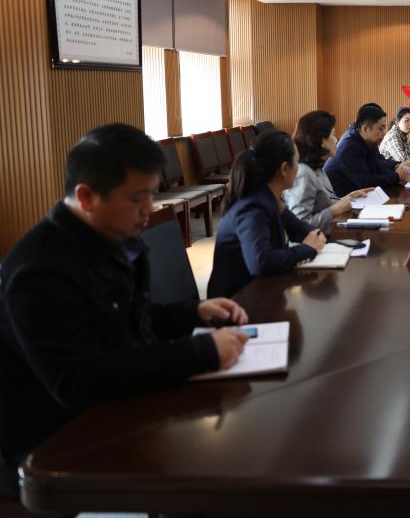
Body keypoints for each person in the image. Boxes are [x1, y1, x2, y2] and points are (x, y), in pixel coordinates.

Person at [0, 124, 250, 483]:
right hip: (56, 442)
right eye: (137, 198)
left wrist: (193, 313)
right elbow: (77, 380)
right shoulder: (39, 271)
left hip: (116, 403)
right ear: (86, 197)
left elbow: (126, 318)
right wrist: (201, 352)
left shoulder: (111, 236)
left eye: (153, 193)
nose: (149, 209)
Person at [208, 130, 326, 298]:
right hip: (236, 301)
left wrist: (314, 235)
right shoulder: (253, 207)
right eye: (297, 162)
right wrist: (307, 249)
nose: (299, 168)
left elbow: (298, 228)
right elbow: (261, 261)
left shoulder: (269, 196)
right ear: (284, 169)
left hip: (259, 291)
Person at [285, 110, 372, 230]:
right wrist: (334, 210)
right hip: (314, 241)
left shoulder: (316, 167)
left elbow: (322, 205)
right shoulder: (304, 173)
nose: (336, 139)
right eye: (332, 135)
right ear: (321, 141)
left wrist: (349, 197)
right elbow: (299, 225)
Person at [324, 104, 410, 196]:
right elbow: (366, 183)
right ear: (365, 128)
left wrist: (396, 165)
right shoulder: (349, 147)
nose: (384, 133)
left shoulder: (367, 139)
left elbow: (379, 163)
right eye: (381, 128)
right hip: (338, 200)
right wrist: (397, 176)